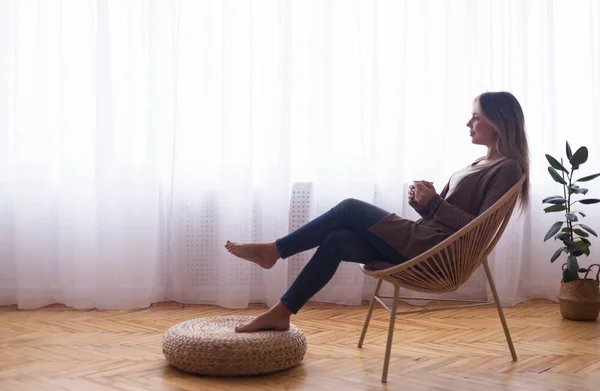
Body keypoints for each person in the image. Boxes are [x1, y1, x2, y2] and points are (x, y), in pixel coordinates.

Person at [225, 91, 530, 333]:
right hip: (426, 239)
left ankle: (275, 251)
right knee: (337, 239)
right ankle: (282, 313)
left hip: (437, 253)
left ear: (498, 123)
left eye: (475, 117)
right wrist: (423, 203)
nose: (468, 124)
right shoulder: (480, 163)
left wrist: (435, 202)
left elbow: (478, 228)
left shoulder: (508, 168)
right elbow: (447, 215)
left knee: (348, 208)